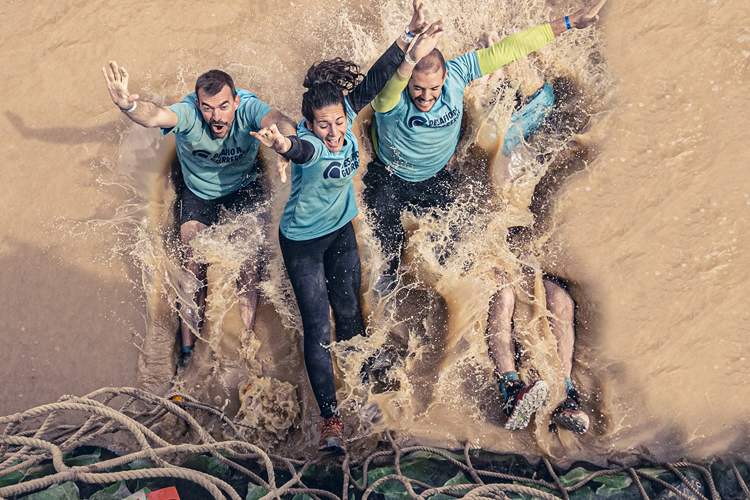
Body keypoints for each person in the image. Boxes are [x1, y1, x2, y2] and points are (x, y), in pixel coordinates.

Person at [362, 0, 608, 433]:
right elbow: (388, 82)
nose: (425, 98)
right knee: (385, 265)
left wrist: (570, 22)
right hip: (389, 181)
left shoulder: (456, 77)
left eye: (432, 90)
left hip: (437, 182)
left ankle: (541, 387)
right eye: (419, 89)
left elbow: (515, 46)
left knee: (459, 264)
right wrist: (409, 48)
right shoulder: (392, 98)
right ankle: (379, 349)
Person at [250, 1, 444, 453]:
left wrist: (406, 39)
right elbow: (297, 148)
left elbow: (376, 79)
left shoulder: (345, 114)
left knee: (351, 312)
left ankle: (360, 387)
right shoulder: (312, 145)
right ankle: (331, 420)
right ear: (311, 125)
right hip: (302, 244)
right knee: (319, 325)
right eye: (325, 126)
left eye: (340, 121)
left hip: (340, 231)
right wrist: (282, 144)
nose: (336, 131)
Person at [102, 63, 296, 368]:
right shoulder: (188, 114)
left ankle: (244, 335)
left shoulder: (248, 108)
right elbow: (155, 115)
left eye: (223, 106)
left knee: (250, 260)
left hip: (244, 187)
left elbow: (280, 121)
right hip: (198, 192)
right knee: (192, 259)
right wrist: (129, 105)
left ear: (236, 102)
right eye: (207, 108)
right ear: (197, 104)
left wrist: (287, 146)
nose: (216, 116)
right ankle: (189, 349)